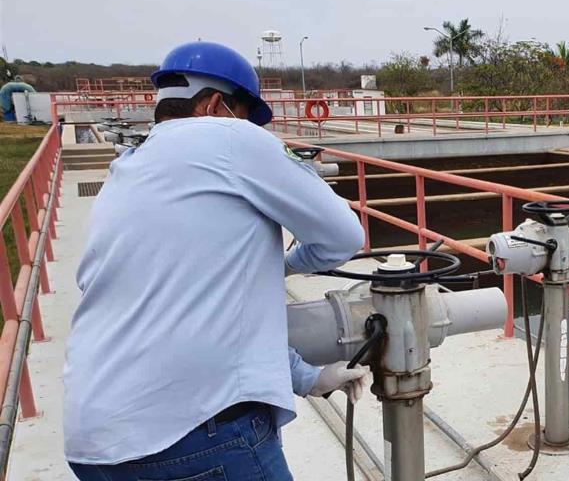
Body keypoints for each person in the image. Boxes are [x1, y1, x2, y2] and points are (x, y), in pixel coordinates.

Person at [63, 41, 368, 481]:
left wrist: (308, 377)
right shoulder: (227, 136)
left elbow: (193, 307)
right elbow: (343, 236)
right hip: (193, 438)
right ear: (215, 104)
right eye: (244, 114)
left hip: (95, 443)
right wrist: (287, 264)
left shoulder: (130, 166)